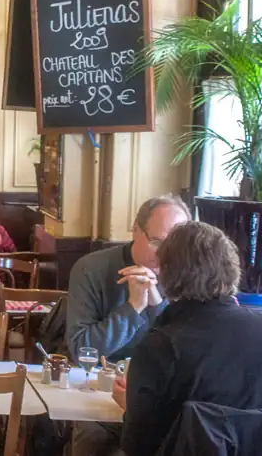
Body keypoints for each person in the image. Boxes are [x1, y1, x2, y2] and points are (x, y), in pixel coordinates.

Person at [116, 221, 262, 456]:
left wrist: (130, 407)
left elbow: (138, 447)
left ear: (166, 274)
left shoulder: (161, 347)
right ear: (232, 270)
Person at [66, 195, 190, 456]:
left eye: (176, 245)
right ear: (135, 230)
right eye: (158, 242)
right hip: (102, 389)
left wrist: (156, 304)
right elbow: (81, 350)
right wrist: (133, 307)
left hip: (163, 394)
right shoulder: (92, 268)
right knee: (93, 435)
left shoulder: (187, 273)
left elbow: (185, 348)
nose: (167, 254)